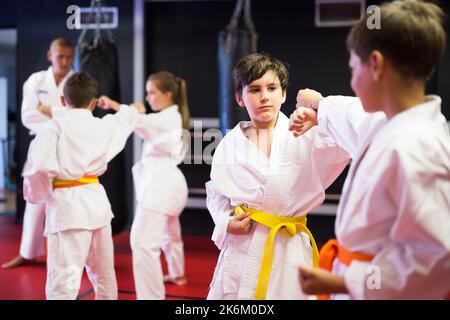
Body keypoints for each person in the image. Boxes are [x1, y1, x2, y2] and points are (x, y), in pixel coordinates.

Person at [289, 0, 450, 299]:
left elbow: (434, 262)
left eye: (353, 68)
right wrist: (319, 108)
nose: (352, 80)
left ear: (375, 64)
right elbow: (355, 118)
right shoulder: (391, 124)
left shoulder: (417, 147)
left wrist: (344, 282)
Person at [205, 52, 350, 300]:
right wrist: (225, 222)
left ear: (283, 94)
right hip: (243, 248)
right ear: (240, 98)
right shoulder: (229, 144)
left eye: (272, 88)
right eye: (254, 90)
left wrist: (320, 109)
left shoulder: (307, 133)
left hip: (288, 247)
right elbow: (217, 194)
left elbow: (355, 133)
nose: (264, 97)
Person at [22, 72, 144, 299]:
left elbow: (38, 168)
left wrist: (38, 196)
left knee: (63, 283)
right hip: (97, 206)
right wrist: (128, 107)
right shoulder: (103, 125)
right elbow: (127, 118)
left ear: (62, 101)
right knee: (105, 275)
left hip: (67, 208)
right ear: (93, 101)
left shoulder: (53, 128)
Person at [99, 71, 190, 300]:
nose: (148, 98)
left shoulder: (166, 119)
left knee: (142, 242)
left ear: (167, 94)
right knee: (170, 233)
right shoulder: (172, 117)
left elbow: (137, 120)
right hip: (170, 184)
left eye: (152, 93)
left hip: (161, 185)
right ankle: (177, 273)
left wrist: (115, 105)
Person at [2, 37, 75, 269]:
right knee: (34, 201)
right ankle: (27, 253)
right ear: (50, 55)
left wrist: (47, 110)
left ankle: (73, 256)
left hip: (68, 146)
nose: (64, 61)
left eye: (68, 57)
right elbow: (27, 116)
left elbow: (79, 117)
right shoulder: (36, 80)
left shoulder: (77, 81)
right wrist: (60, 115)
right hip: (41, 145)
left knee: (69, 200)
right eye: (59, 56)